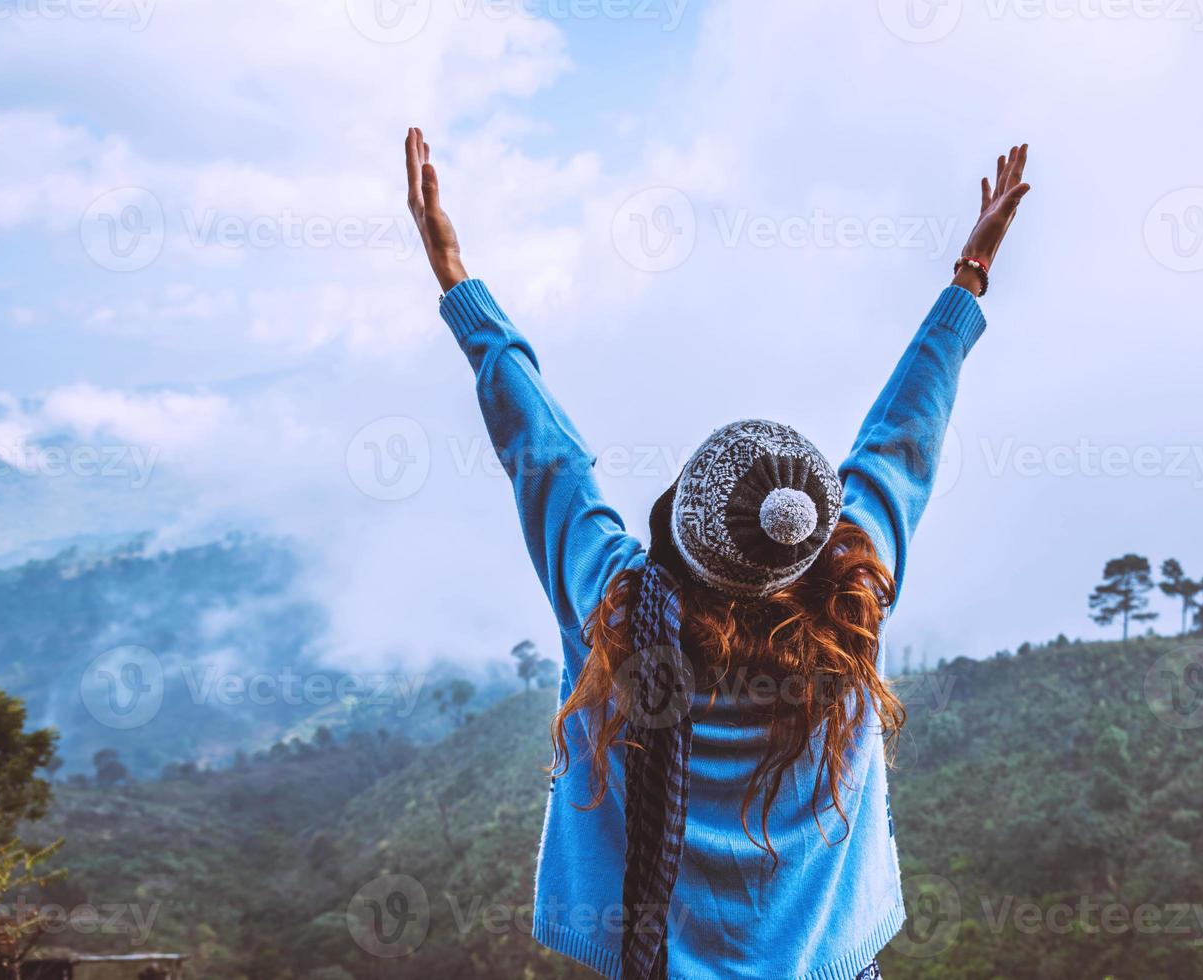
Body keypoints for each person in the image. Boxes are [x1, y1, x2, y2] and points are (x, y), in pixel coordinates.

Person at [404, 128, 1030, 980]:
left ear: (679, 517)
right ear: (811, 543)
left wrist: (457, 281)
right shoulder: (851, 609)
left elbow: (544, 455)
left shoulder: (612, 604)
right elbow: (902, 442)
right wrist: (969, 276)